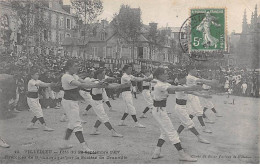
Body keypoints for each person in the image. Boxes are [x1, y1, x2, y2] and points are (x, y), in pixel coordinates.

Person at [150, 67, 202, 161]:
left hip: (158, 109)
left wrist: (186, 86)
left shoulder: (158, 82)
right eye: (165, 73)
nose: (167, 75)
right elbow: (175, 88)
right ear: (159, 75)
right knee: (172, 132)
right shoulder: (159, 84)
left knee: (164, 132)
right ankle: (182, 154)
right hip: (159, 110)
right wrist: (190, 87)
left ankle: (156, 152)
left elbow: (174, 88)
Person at [60, 60, 107, 151]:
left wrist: (97, 84)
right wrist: (96, 85)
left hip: (72, 101)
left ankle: (64, 144)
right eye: (75, 65)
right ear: (69, 67)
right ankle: (85, 147)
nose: (77, 67)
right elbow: (81, 85)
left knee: (71, 124)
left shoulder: (74, 75)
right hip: (69, 102)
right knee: (77, 124)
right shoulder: (66, 76)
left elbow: (84, 83)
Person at [89, 69, 130, 137]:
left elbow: (110, 83)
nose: (104, 75)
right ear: (99, 74)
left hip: (98, 101)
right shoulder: (96, 82)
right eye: (103, 74)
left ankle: (94, 129)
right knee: (104, 117)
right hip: (96, 102)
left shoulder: (100, 81)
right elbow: (110, 86)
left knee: (100, 117)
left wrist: (121, 84)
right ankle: (113, 132)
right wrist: (122, 85)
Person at [185, 65, 219, 133]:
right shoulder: (190, 77)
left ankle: (188, 125)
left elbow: (200, 83)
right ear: (190, 70)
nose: (196, 71)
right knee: (199, 112)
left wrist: (209, 84)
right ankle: (204, 128)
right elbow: (201, 80)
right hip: (192, 95)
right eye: (194, 69)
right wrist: (211, 81)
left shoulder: (191, 77)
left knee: (193, 112)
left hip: (192, 94)